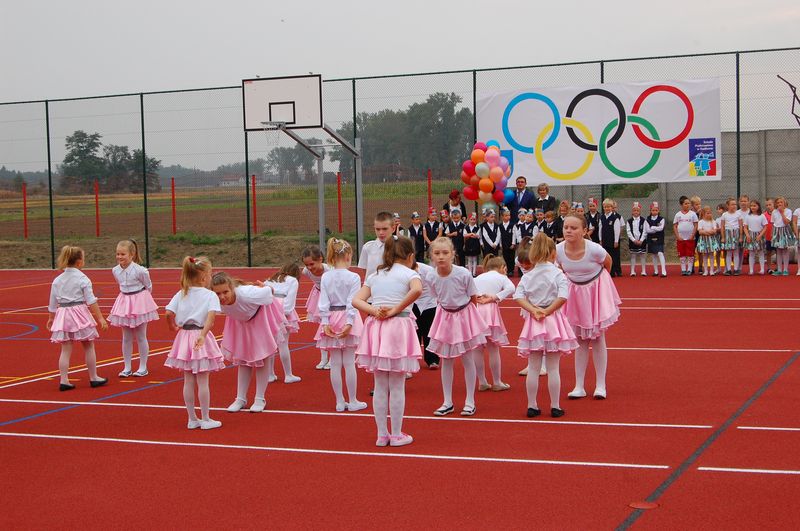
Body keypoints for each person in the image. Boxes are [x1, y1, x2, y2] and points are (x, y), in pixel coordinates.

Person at [353, 236, 422, 447]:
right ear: (410, 256)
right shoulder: (410, 273)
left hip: (378, 327)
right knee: (397, 385)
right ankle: (397, 433)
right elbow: (417, 290)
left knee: (380, 384)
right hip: (398, 327)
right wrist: (395, 310)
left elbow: (356, 300)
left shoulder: (375, 275)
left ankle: (382, 434)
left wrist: (375, 310)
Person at [558, 215, 621, 400]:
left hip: (595, 290)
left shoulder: (594, 249)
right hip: (574, 293)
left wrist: (597, 286)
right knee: (580, 339)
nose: (568, 230)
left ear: (585, 231)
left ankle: (600, 385)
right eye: (566, 227)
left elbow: (608, 263)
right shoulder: (558, 250)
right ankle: (579, 386)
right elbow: (558, 269)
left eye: (574, 228)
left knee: (598, 337)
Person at [514, 234, 578, 418]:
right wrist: (548, 310)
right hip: (553, 321)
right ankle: (555, 406)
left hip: (535, 321)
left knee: (533, 367)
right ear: (552, 253)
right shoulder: (557, 273)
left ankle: (532, 405)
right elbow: (563, 296)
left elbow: (518, 295)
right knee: (553, 367)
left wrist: (534, 310)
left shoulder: (529, 275)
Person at [427, 237, 488, 417]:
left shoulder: (463, 274)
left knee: (467, 358)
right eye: (437, 253)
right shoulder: (431, 276)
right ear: (431, 256)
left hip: (463, 316)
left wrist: (467, 318)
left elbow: (472, 297)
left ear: (453, 254)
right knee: (446, 359)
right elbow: (435, 295)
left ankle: (470, 401)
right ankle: (447, 402)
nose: (441, 257)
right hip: (445, 317)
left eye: (445, 253)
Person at [164, 256, 225, 430]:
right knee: (203, 380)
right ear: (205, 277)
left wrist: (173, 327)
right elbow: (211, 318)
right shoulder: (210, 295)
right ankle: (205, 418)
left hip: (184, 336)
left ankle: (192, 418)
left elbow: (168, 313)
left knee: (188, 380)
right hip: (199, 334)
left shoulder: (181, 293)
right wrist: (203, 335)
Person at [211, 271, 278, 413]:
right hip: (240, 321)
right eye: (217, 294)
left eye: (225, 292)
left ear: (232, 288)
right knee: (242, 359)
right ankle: (240, 398)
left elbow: (269, 293)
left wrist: (267, 287)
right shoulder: (212, 300)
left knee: (261, 357)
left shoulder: (248, 293)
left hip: (259, 316)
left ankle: (260, 398)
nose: (222, 297)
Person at [47, 245, 109, 391]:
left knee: (66, 348)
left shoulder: (57, 280)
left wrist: (51, 318)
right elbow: (91, 300)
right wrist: (100, 318)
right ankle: (93, 377)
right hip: (79, 312)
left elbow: (52, 303)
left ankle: (64, 380)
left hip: (63, 313)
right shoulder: (83, 278)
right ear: (79, 262)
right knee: (88, 345)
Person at [316, 238, 367, 412]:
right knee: (349, 362)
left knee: (335, 362)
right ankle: (352, 400)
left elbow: (323, 301)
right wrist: (350, 322)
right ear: (347, 255)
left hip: (331, 317)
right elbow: (352, 301)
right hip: (346, 316)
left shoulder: (325, 276)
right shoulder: (353, 277)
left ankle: (339, 401)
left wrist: (324, 321)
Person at [109, 239, 158, 377]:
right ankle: (127, 367)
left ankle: (143, 366)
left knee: (141, 336)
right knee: (126, 337)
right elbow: (121, 284)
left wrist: (141, 301)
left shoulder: (141, 271)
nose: (119, 257)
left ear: (132, 255)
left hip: (139, 301)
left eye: (123, 254)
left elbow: (148, 286)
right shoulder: (115, 270)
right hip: (124, 301)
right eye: (118, 254)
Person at [473, 255, 514, 392]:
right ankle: (497, 381)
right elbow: (511, 288)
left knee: (477, 349)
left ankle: (482, 381)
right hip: (489, 311)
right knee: (493, 348)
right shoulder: (502, 277)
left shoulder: (478, 278)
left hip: (476, 310)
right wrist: (494, 297)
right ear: (502, 268)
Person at [265, 263, 302, 383]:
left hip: (269, 311)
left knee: (271, 344)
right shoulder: (293, 281)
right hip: (282, 312)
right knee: (283, 344)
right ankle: (288, 374)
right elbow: (289, 303)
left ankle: (270, 374)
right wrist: (283, 313)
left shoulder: (271, 279)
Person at [302, 245, 333, 369]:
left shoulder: (329, 270)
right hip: (318, 296)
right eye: (307, 265)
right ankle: (323, 358)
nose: (310, 268)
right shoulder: (306, 272)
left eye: (312, 264)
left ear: (320, 259)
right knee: (322, 327)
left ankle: (333, 358)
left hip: (331, 298)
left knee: (331, 326)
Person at [412, 260, 440, 369]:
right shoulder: (402, 271)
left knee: (430, 332)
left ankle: (432, 359)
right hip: (412, 301)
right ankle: (413, 360)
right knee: (414, 332)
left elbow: (435, 287)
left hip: (429, 301)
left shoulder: (428, 271)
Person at [674, 197, 699, 276]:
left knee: (690, 254)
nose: (688, 205)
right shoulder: (678, 214)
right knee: (682, 254)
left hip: (690, 238)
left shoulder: (693, 214)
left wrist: (692, 235)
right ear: (681, 205)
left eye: (689, 203)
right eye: (686, 203)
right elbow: (675, 226)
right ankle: (683, 269)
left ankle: (689, 269)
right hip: (681, 238)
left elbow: (696, 225)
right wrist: (678, 236)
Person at [771, 196, 795, 275]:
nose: (779, 204)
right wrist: (773, 234)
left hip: (784, 231)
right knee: (778, 251)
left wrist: (782, 213)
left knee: (785, 250)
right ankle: (779, 270)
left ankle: (785, 269)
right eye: (778, 203)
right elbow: (773, 223)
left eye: (781, 202)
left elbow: (786, 222)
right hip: (777, 232)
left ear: (784, 203)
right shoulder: (774, 211)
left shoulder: (788, 211)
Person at [719, 198, 743, 276]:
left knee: (736, 252)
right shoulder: (724, 215)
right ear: (728, 206)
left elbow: (740, 226)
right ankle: (728, 269)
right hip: (727, 234)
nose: (734, 206)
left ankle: (736, 269)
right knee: (728, 253)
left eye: (735, 204)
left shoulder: (738, 214)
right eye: (732, 204)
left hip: (735, 233)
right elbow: (722, 226)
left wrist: (740, 236)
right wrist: (723, 237)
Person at [599, 199, 622, 277]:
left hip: (612, 241)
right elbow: (600, 229)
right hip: (605, 240)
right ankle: (607, 271)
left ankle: (613, 272)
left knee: (613, 256)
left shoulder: (615, 218)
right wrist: (600, 239)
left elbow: (617, 230)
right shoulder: (602, 217)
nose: (607, 208)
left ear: (612, 207)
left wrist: (616, 241)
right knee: (606, 256)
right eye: (605, 207)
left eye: (608, 207)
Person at [744, 200, 768, 275]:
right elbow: (745, 227)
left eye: (754, 206)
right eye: (751, 206)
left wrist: (760, 235)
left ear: (758, 206)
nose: (753, 207)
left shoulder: (762, 216)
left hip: (759, 235)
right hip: (750, 235)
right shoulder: (748, 216)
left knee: (761, 252)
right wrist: (747, 235)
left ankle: (762, 269)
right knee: (751, 253)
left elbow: (765, 226)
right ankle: (751, 270)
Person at [645, 202, 667, 277]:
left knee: (660, 253)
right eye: (653, 210)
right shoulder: (647, 219)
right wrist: (655, 229)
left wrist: (653, 227)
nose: (654, 211)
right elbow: (647, 230)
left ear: (658, 210)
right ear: (650, 211)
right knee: (653, 254)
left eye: (656, 210)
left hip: (659, 238)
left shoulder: (661, 219)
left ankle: (664, 271)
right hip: (650, 238)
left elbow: (661, 228)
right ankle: (656, 271)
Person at [696, 206, 720, 276]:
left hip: (711, 240)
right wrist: (709, 232)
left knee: (712, 255)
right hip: (704, 240)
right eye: (707, 213)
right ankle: (706, 270)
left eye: (710, 213)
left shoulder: (713, 221)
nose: (709, 214)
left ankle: (711, 270)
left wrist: (706, 232)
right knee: (705, 255)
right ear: (703, 214)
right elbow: (700, 232)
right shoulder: (700, 222)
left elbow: (715, 231)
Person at [626, 202, 648, 276]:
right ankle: (632, 271)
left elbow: (645, 231)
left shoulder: (643, 220)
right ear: (632, 211)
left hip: (642, 241)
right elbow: (628, 232)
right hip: (633, 241)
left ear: (640, 211)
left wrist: (641, 240)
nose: (636, 212)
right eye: (634, 210)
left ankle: (643, 271)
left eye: (637, 210)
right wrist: (634, 240)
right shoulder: (629, 221)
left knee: (642, 255)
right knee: (633, 255)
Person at [499, 207, 516, 276]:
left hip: (511, 244)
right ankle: (507, 269)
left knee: (511, 257)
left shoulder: (512, 225)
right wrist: (500, 245)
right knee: (505, 257)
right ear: (502, 217)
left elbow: (514, 234)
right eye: (506, 215)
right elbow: (499, 236)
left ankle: (511, 270)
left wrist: (513, 243)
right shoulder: (500, 226)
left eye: (509, 215)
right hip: (504, 244)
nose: (508, 217)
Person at [736, 195, 751, 274]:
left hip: (749, 233)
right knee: (739, 250)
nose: (743, 203)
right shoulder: (737, 212)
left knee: (752, 251)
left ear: (748, 202)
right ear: (739, 202)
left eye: (745, 201)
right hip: (740, 233)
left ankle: (752, 269)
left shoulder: (751, 212)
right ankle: (738, 267)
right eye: (741, 201)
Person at [764, 198, 775, 273]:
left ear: (774, 205)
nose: (768, 206)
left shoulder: (777, 214)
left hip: (776, 238)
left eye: (770, 204)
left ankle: (779, 268)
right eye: (767, 205)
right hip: (768, 237)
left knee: (779, 252)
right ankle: (769, 268)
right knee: (768, 252)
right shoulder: (764, 215)